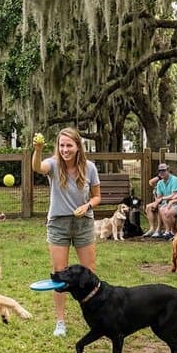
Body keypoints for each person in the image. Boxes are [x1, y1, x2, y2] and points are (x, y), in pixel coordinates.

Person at [32, 128, 101, 337]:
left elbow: (97, 197)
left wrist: (87, 205)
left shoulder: (89, 168)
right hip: (58, 224)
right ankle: (60, 321)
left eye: (69, 145)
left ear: (78, 146)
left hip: (83, 223)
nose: (65, 150)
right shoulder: (53, 164)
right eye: (62, 145)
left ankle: (94, 314)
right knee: (59, 273)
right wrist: (37, 150)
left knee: (89, 271)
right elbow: (37, 167)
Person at [144, 163, 177, 237]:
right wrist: (156, 202)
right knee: (149, 207)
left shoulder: (175, 180)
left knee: (160, 207)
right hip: (163, 202)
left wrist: (160, 200)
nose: (161, 173)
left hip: (174, 202)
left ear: (168, 170)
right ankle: (152, 229)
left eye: (163, 171)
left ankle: (162, 230)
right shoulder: (160, 183)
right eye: (160, 171)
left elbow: (174, 195)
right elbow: (159, 196)